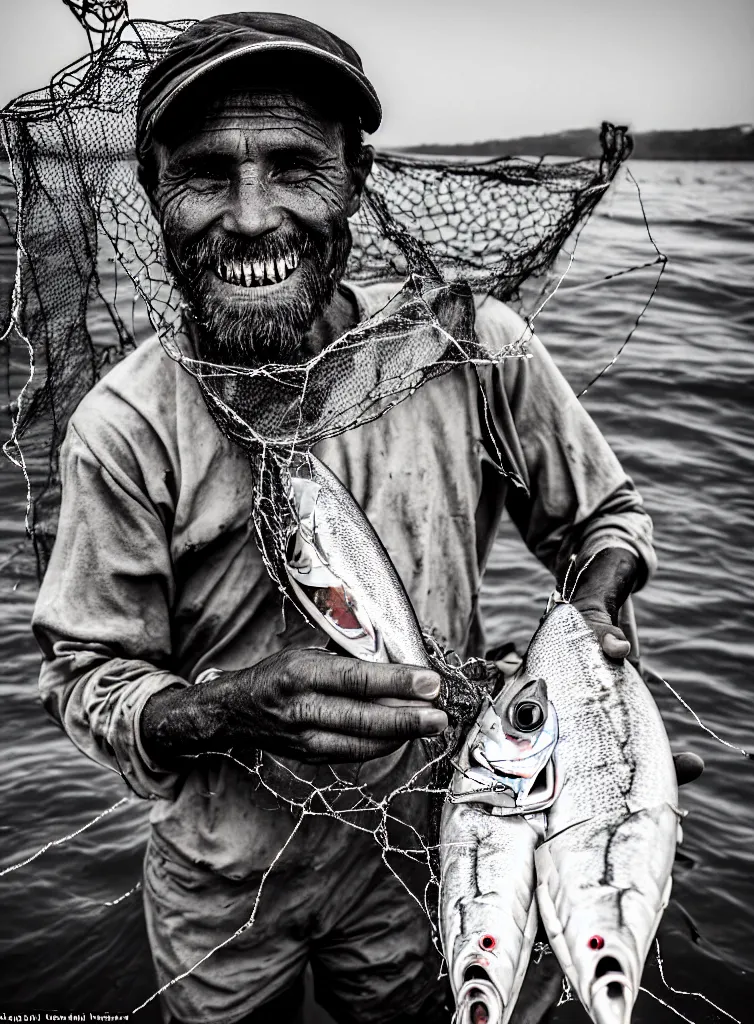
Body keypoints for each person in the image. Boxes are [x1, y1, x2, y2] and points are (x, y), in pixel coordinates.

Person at [31, 12, 702, 1024]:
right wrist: (223, 707)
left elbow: (601, 520)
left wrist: (593, 669)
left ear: (357, 177)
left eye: (297, 166)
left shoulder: (467, 344)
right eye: (207, 171)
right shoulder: (124, 426)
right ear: (151, 188)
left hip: (434, 847)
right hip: (220, 882)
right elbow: (88, 679)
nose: (252, 218)